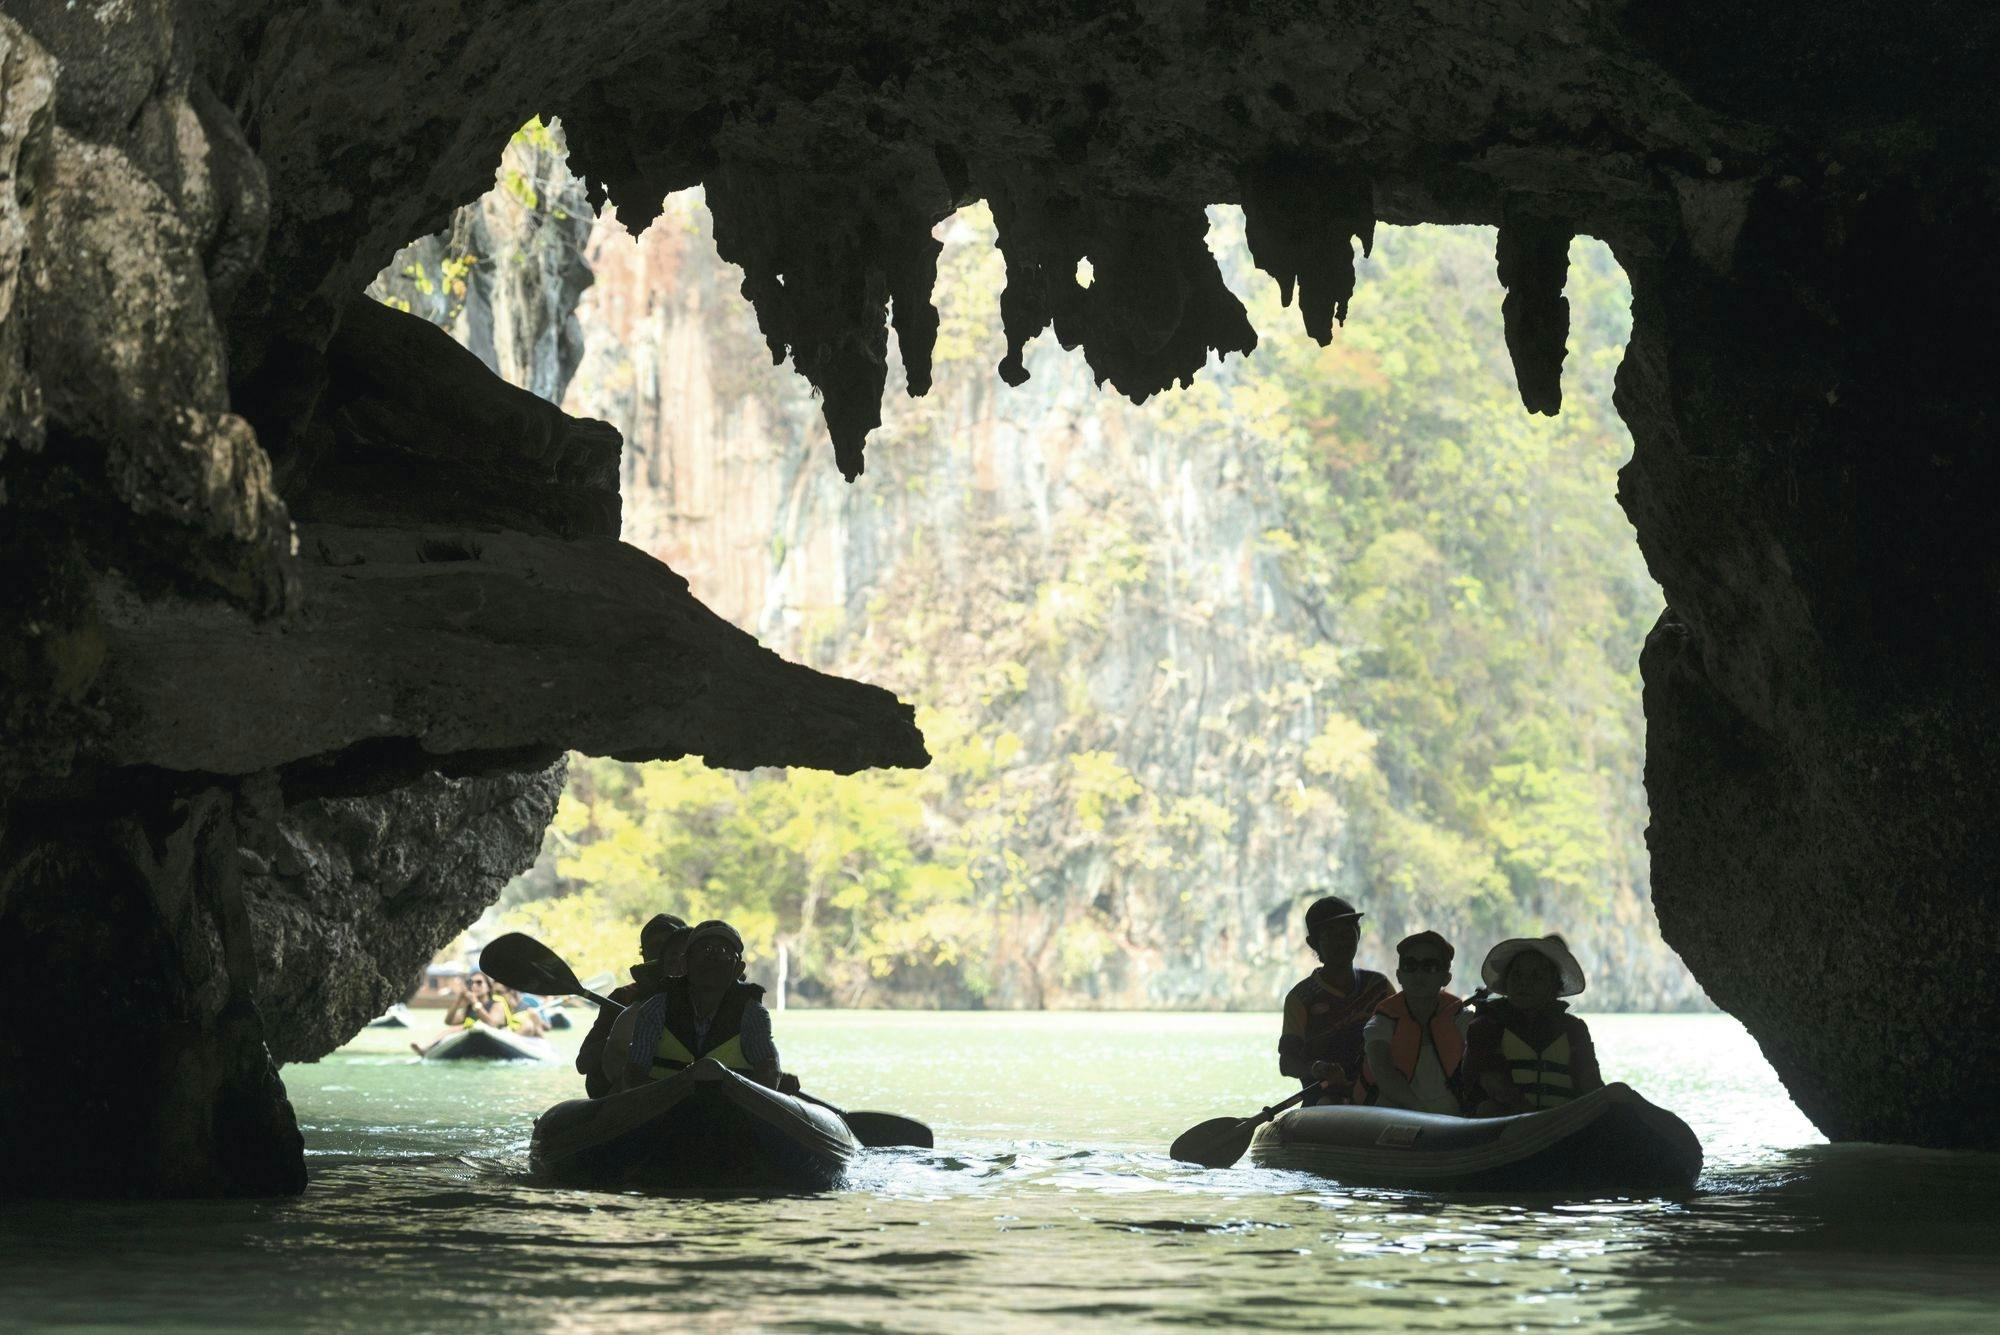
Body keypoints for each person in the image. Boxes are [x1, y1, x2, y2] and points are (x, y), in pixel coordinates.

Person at [602, 920, 782, 1091]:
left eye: (724, 951)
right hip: (665, 1107)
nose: (712, 958)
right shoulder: (655, 1008)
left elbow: (768, 1073)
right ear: (685, 963)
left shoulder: (753, 1013)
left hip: (730, 1109)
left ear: (738, 969)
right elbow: (634, 1074)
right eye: (704, 949)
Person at [1461, 934, 1603, 1115]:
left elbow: (1592, 1085)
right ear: (1506, 981)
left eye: (1537, 977)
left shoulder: (1575, 1029)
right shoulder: (1485, 1027)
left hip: (1565, 1123)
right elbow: (1490, 1083)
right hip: (1505, 1125)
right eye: (1517, 974)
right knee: (1488, 1109)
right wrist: (1534, 1117)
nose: (1524, 983)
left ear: (1553, 985)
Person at [1278, 895, 1393, 1105]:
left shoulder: (1379, 987)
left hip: (1377, 1101)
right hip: (1323, 1104)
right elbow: (1287, 1063)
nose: (1341, 941)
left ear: (1358, 934)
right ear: (1313, 943)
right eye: (1330, 935)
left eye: (1347, 932)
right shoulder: (1300, 998)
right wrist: (1316, 1068)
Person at [1354, 930, 1471, 1115]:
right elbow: (1383, 1072)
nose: (1419, 974)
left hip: (1453, 1121)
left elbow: (1483, 1054)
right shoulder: (1382, 1022)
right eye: (1410, 965)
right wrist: (1421, 1112)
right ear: (1399, 975)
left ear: (1446, 978)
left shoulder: (1461, 1017)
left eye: (1430, 967)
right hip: (1396, 1117)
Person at [578, 913, 689, 1098]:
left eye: (671, 948)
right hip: (628, 1094)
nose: (664, 954)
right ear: (643, 954)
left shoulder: (705, 995)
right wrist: (623, 1036)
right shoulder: (623, 997)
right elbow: (583, 1063)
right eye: (656, 947)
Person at [410, 971, 512, 1056]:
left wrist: (475, 1002)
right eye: (471, 983)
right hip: (474, 1040)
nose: (475, 986)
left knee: (461, 1027)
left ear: (488, 987)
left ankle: (426, 1046)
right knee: (456, 1028)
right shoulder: (469, 1007)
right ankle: (426, 1048)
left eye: (479, 982)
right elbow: (449, 1021)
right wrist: (458, 1000)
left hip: (495, 1039)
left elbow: (491, 1023)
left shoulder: (497, 1004)